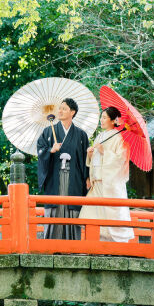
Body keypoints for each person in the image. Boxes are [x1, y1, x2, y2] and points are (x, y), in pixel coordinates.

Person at [36, 98, 90, 240]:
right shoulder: (48, 132)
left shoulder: (81, 135)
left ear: (72, 112)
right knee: (55, 208)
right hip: (55, 177)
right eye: (59, 108)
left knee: (72, 208)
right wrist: (51, 150)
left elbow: (86, 161)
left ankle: (72, 246)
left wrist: (88, 177)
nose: (59, 111)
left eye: (64, 109)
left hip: (74, 179)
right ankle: (51, 245)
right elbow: (40, 151)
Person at [79, 106, 135, 242]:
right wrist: (90, 155)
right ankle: (97, 241)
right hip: (97, 180)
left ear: (113, 120)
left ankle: (114, 243)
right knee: (93, 212)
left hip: (110, 183)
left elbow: (121, 159)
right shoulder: (100, 136)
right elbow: (95, 161)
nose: (101, 120)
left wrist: (105, 151)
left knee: (110, 213)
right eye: (101, 117)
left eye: (104, 117)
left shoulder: (119, 138)